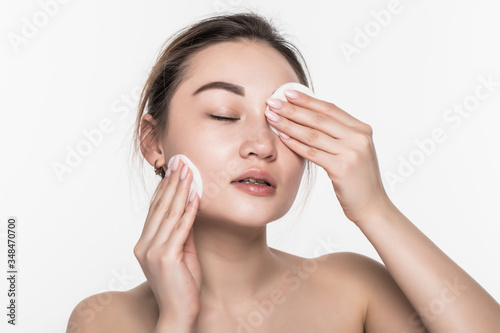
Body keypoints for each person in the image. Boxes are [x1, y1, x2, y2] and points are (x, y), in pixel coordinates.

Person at [67, 12, 500, 333]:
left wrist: (374, 208)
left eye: (282, 121)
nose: (262, 144)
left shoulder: (354, 291)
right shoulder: (106, 320)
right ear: (153, 142)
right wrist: (178, 319)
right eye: (223, 114)